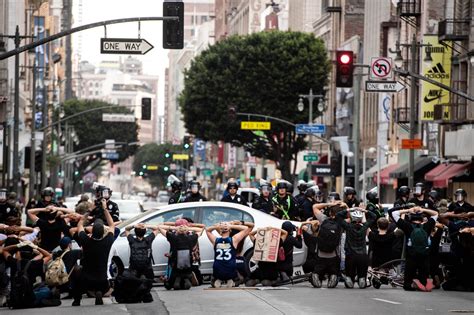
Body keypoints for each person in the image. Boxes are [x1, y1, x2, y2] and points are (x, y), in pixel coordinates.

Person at [72, 198, 116, 306]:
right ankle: (99, 292)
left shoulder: (85, 240)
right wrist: (105, 208)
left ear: (92, 231)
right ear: (103, 233)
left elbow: (80, 224)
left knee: (77, 271)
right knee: (101, 283)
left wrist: (89, 210)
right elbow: (112, 225)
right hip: (102, 281)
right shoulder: (107, 241)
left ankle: (77, 299)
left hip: (86, 281)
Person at [389, 206, 438, 291]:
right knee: (424, 273)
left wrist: (408, 210)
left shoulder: (407, 226)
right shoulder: (427, 226)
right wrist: (423, 209)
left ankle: (410, 284)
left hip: (411, 254)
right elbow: (436, 214)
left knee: (408, 277)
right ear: (421, 218)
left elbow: (394, 213)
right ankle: (424, 284)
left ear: (411, 218)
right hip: (424, 254)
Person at [158, 219, 203, 290]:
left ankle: (177, 280)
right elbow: (201, 230)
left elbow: (160, 227)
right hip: (188, 266)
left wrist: (174, 227)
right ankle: (187, 278)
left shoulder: (173, 237)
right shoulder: (191, 238)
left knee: (169, 284)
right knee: (186, 274)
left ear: (177, 229)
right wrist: (187, 228)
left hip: (176, 267)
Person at [336, 208, 376, 289]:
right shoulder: (365, 227)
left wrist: (350, 209)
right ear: (361, 218)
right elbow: (374, 216)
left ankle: (350, 281)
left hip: (350, 255)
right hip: (362, 255)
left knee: (349, 276)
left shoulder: (348, 227)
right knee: (362, 276)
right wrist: (364, 210)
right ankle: (362, 281)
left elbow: (338, 216)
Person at [206, 221, 253, 288]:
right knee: (234, 269)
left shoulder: (215, 240)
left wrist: (218, 226)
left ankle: (218, 280)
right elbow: (246, 228)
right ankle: (230, 280)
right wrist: (230, 226)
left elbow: (207, 230)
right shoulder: (234, 240)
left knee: (217, 272)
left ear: (220, 231)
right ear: (230, 231)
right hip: (231, 270)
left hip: (217, 271)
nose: (224, 225)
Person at [310, 204, 344, 288]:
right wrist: (346, 206)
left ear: (330, 213)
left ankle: (316, 275)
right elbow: (352, 216)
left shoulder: (324, 219)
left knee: (318, 269)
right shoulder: (341, 222)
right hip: (334, 253)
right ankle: (333, 276)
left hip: (321, 252)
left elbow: (314, 207)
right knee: (334, 271)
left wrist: (330, 204)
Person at [123, 223, 159, 302]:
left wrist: (133, 226)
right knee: (147, 282)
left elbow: (126, 229)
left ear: (135, 232)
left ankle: (137, 296)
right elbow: (156, 228)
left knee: (134, 283)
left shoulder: (131, 240)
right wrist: (146, 226)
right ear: (145, 232)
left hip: (134, 267)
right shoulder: (148, 240)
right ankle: (145, 294)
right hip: (147, 268)